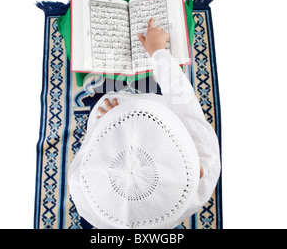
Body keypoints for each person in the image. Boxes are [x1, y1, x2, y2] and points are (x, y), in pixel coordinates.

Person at [68, 18, 221, 229]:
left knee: (102, 99)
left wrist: (109, 123)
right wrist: (158, 52)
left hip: (114, 111)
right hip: (155, 107)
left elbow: (88, 151)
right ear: (198, 172)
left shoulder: (82, 184)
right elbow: (181, 99)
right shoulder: (206, 163)